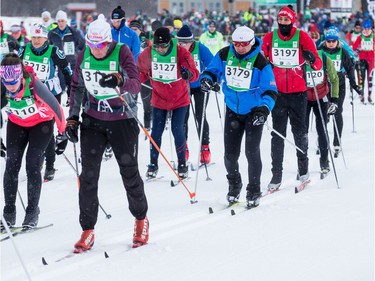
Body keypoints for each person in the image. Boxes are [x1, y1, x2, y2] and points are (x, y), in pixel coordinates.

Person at [65, 14, 149, 252]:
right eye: (93, 45)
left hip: (122, 120)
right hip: (93, 120)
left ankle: (141, 219)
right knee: (88, 177)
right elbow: (77, 87)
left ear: (108, 41)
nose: (97, 50)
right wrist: (72, 117)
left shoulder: (121, 52)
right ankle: (87, 229)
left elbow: (136, 82)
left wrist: (119, 79)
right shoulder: (84, 55)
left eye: (101, 45)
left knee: (129, 171)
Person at [200, 26, 277, 207]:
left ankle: (254, 189)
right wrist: (207, 79)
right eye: (236, 44)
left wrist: (264, 110)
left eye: (243, 44)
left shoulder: (260, 62)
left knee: (252, 151)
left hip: (254, 112)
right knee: (230, 154)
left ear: (251, 43)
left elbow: (271, 90)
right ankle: (234, 185)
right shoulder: (225, 54)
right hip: (233, 110)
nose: (240, 47)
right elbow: (212, 70)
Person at [0, 53, 66, 231]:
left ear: (21, 76)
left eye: (14, 82)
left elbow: (56, 108)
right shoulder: (2, 86)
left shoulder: (34, 85)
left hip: (41, 125)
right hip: (17, 124)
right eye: (7, 83)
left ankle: (32, 212)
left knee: (32, 164)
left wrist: (62, 133)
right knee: (11, 164)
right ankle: (9, 213)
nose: (10, 87)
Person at [261, 5, 323, 190]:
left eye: (286, 20)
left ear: (292, 21)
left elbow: (318, 65)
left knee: (300, 133)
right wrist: (264, 59)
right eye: (280, 20)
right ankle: (276, 175)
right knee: (277, 135)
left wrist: (311, 58)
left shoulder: (302, 37)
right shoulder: (270, 37)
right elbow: (260, 56)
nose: (282, 23)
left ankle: (303, 170)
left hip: (298, 93)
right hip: (277, 94)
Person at [137, 27, 199, 179]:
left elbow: (195, 74)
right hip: (159, 99)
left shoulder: (181, 53)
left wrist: (188, 74)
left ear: (170, 42)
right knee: (156, 132)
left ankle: (182, 164)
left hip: (179, 99)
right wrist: (129, 82)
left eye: (163, 46)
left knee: (177, 130)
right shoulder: (148, 53)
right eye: (157, 46)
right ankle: (153, 164)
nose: (160, 49)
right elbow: (140, 73)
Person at [19, 23, 72, 181]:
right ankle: (41, 158)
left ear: (45, 38)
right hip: (30, 94)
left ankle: (50, 164)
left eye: (39, 37)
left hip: (50, 93)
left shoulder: (54, 51)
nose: (36, 41)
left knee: (46, 128)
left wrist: (71, 91)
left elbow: (66, 70)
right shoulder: (24, 50)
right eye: (34, 37)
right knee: (36, 126)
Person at [320, 27, 362, 156]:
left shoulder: (342, 52)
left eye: (333, 41)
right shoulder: (320, 51)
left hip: (339, 84)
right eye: (329, 41)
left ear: (337, 41)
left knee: (337, 111)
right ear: (325, 41)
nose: (331, 43)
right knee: (323, 112)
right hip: (323, 85)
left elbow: (350, 69)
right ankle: (322, 140)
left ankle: (336, 142)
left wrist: (354, 84)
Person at [177, 24, 214, 163]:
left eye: (185, 43)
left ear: (191, 42)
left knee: (200, 116)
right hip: (182, 87)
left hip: (199, 87)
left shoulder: (200, 48)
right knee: (182, 118)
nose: (182, 45)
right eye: (179, 42)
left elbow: (211, 65)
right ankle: (183, 148)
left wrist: (207, 79)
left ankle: (205, 148)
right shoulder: (175, 49)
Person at [305, 50, 339, 173]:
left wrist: (334, 99)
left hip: (322, 97)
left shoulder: (324, 59)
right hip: (304, 98)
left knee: (322, 129)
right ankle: (303, 164)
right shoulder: (298, 58)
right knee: (302, 131)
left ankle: (324, 160)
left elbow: (334, 79)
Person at [48, 10, 85, 106]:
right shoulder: (52, 33)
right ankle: (57, 103)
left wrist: (79, 57)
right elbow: (48, 47)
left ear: (66, 21)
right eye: (59, 21)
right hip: (58, 63)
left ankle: (71, 100)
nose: (60, 23)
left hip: (72, 62)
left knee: (72, 83)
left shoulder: (74, 33)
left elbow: (82, 46)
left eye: (62, 21)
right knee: (59, 84)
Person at [129, 20, 153, 132]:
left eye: (135, 30)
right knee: (131, 103)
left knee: (147, 104)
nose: (133, 32)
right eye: (131, 29)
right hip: (131, 77)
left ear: (140, 30)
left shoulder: (147, 42)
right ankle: (132, 126)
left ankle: (148, 127)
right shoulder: (126, 42)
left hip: (144, 77)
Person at [352, 20, 375, 105]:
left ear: (371, 29)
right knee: (361, 79)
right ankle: (362, 96)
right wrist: (358, 49)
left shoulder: (373, 36)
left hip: (371, 61)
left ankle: (369, 96)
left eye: (368, 28)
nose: (366, 30)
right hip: (361, 60)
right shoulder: (360, 37)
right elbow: (354, 47)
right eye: (365, 28)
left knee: (370, 79)